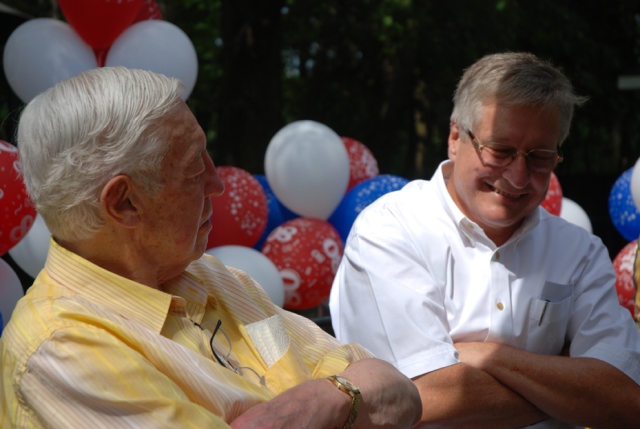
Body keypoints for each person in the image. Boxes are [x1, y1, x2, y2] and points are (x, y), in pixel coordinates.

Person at [0, 67, 422, 429]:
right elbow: (376, 394)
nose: (216, 183)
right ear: (125, 203)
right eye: (192, 168)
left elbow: (399, 390)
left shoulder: (217, 280)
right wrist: (350, 400)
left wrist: (330, 396)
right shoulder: (62, 348)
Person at [330, 52, 640, 428]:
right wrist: (571, 380)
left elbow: (626, 398)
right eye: (501, 150)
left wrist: (491, 356)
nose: (518, 175)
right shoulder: (391, 230)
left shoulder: (580, 251)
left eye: (540, 156)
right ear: (455, 137)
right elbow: (420, 397)